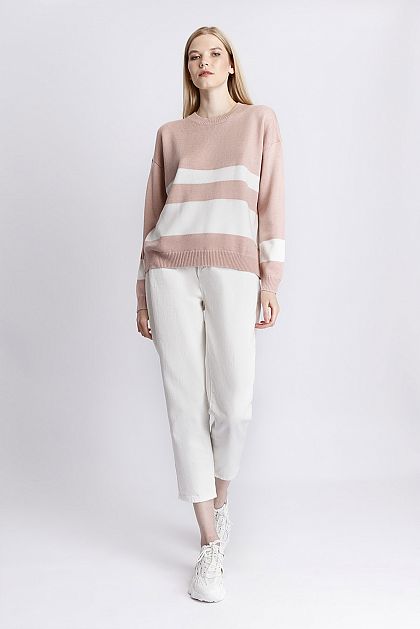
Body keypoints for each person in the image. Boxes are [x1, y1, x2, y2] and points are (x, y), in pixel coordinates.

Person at [135, 25, 285, 602]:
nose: (204, 62)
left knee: (235, 405)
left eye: (214, 54)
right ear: (189, 69)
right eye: (194, 56)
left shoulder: (259, 121)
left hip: (233, 269)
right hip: (169, 270)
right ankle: (209, 543)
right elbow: (152, 217)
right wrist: (141, 291)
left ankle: (220, 503)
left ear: (230, 64)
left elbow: (270, 205)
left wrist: (271, 279)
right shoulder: (170, 134)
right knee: (184, 406)